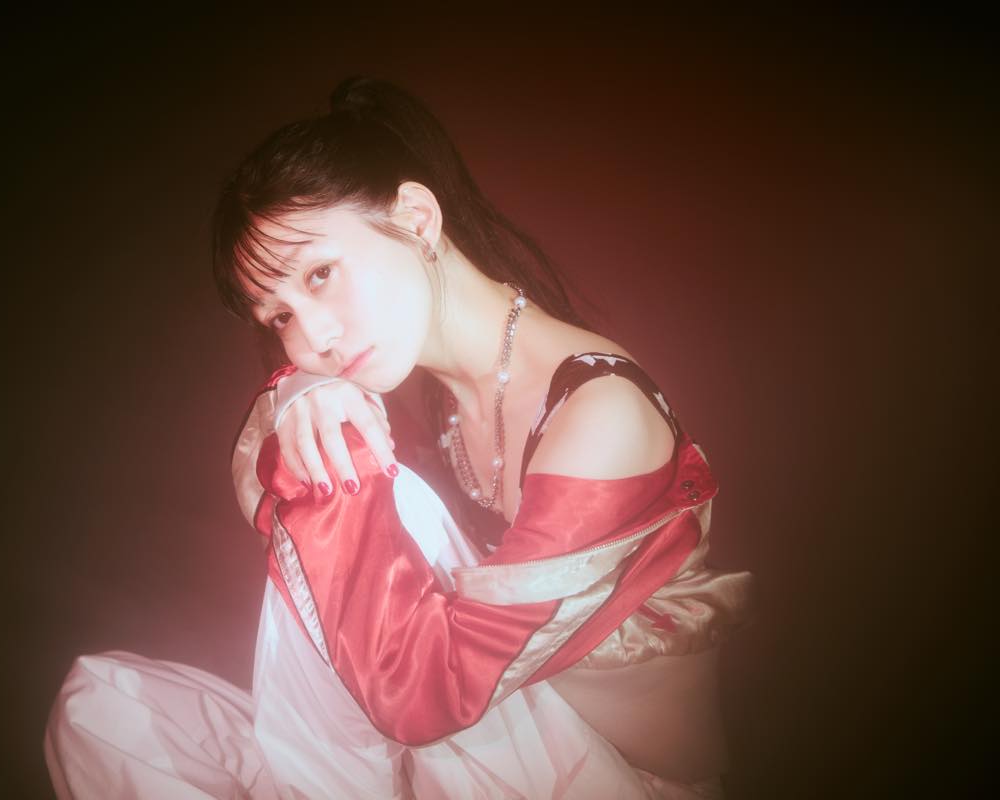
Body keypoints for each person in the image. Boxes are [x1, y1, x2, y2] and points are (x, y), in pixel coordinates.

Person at [44, 77, 752, 799]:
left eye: (321, 274)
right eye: (279, 317)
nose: (313, 338)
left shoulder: (600, 416)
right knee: (102, 712)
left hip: (610, 778)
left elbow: (428, 688)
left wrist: (324, 441)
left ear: (416, 217)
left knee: (364, 485)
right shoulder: (438, 390)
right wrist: (299, 392)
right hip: (483, 749)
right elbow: (268, 498)